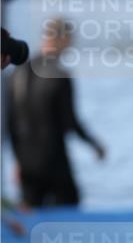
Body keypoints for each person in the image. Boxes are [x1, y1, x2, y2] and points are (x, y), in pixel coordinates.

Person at [7, 19, 106, 207]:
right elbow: (70, 121)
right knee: (69, 209)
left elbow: (10, 122)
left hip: (26, 162)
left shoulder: (17, 73)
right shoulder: (59, 74)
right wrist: (93, 144)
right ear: (64, 40)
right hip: (54, 159)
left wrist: (17, 161)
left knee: (32, 217)